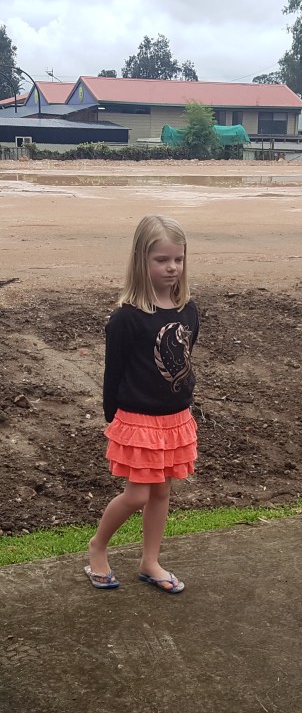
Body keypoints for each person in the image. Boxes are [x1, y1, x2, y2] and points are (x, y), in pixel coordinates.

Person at [84, 215, 200, 594]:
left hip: (175, 419)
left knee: (162, 493)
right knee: (137, 495)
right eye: (161, 260)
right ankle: (97, 547)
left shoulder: (188, 309)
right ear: (141, 260)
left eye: (178, 259)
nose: (172, 267)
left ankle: (150, 562)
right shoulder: (126, 318)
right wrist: (114, 419)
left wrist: (185, 400)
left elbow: (185, 358)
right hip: (138, 420)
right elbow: (113, 372)